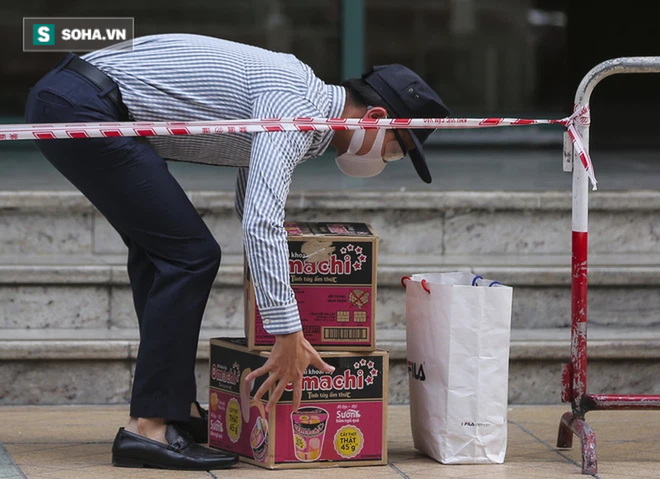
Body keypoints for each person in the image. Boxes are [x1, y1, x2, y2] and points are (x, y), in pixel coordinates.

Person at [24, 33, 450, 470]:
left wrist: (286, 278)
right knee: (189, 255)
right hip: (81, 104)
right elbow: (260, 222)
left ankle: (172, 410)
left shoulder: (301, 104)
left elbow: (252, 205)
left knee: (164, 253)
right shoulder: (296, 108)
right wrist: (286, 333)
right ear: (377, 118)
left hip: (77, 96)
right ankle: (147, 427)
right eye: (398, 151)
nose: (387, 161)